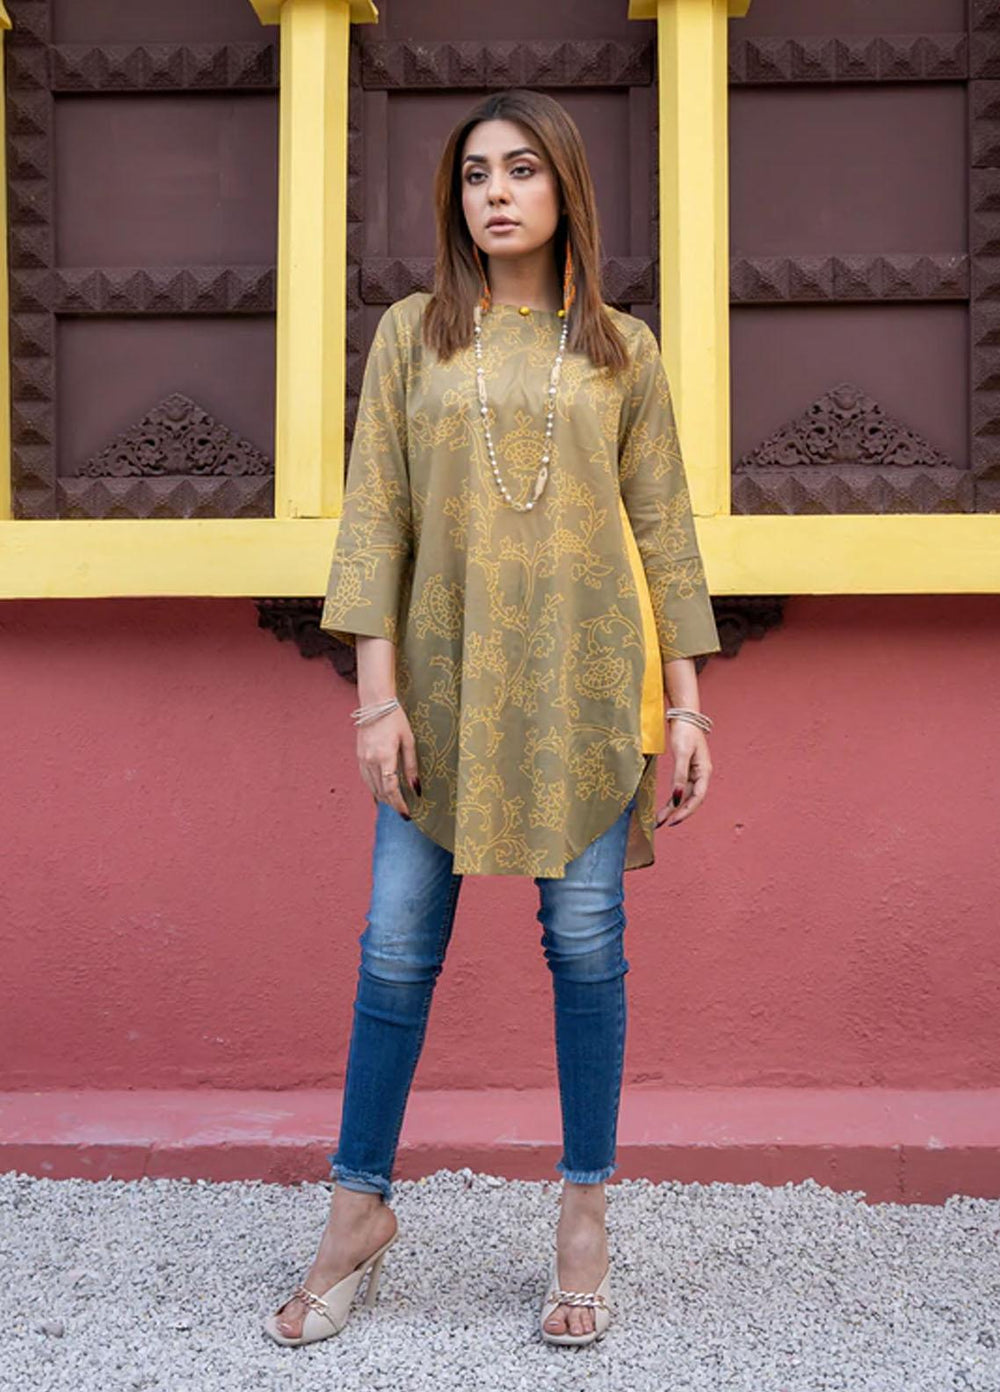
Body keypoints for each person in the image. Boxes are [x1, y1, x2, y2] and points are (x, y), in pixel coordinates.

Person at [264, 87, 720, 1350]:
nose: (497, 194)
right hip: (441, 691)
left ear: (565, 188)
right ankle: (357, 1210)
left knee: (585, 945)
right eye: (475, 175)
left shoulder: (621, 350)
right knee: (396, 947)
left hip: (585, 692)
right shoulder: (411, 338)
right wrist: (375, 699)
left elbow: (666, 533)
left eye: (521, 170)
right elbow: (376, 519)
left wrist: (688, 709)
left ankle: (583, 1213)